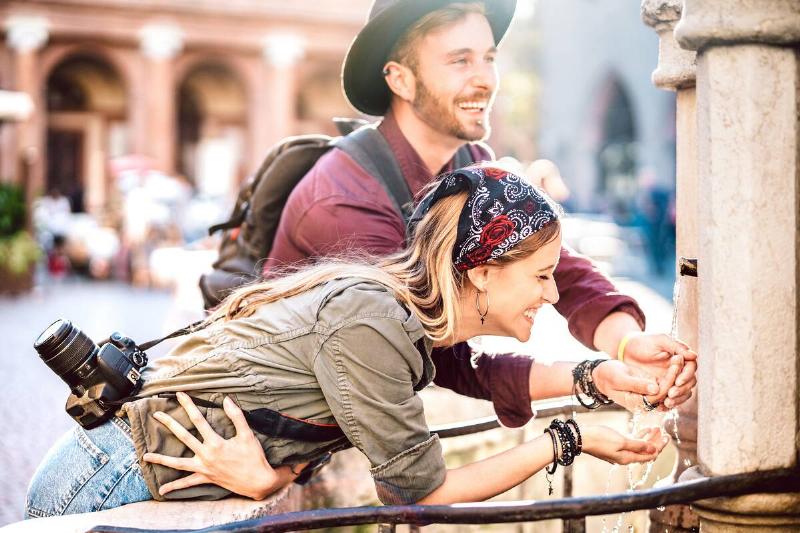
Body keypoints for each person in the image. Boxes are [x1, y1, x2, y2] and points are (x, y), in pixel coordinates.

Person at [26, 166, 673, 516]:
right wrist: (572, 437)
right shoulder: (373, 324)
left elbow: (473, 370)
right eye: (540, 276)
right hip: (109, 484)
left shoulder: (400, 309)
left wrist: (594, 374)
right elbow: (423, 493)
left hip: (122, 474)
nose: (553, 294)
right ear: (479, 271)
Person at [261, 0, 697, 428]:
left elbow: (556, 268)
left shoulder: (469, 164)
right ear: (400, 79)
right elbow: (437, 357)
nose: (485, 79)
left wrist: (627, 344)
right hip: (276, 432)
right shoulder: (344, 201)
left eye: (488, 58)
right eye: (459, 61)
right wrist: (591, 376)